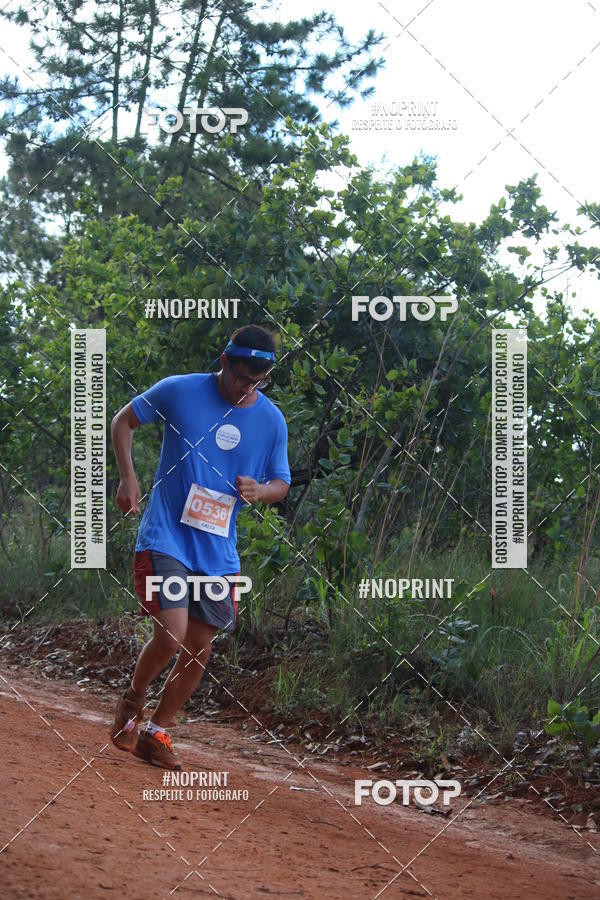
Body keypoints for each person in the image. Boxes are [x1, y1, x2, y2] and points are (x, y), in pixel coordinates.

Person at [109, 325, 290, 769]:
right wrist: (128, 477)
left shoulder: (271, 420)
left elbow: (281, 483)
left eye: (257, 381)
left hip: (217, 552)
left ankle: (156, 732)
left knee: (199, 649)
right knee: (171, 634)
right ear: (224, 362)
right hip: (167, 535)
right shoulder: (179, 390)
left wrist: (259, 491)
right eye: (241, 377)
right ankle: (132, 703)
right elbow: (123, 421)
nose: (247, 388)